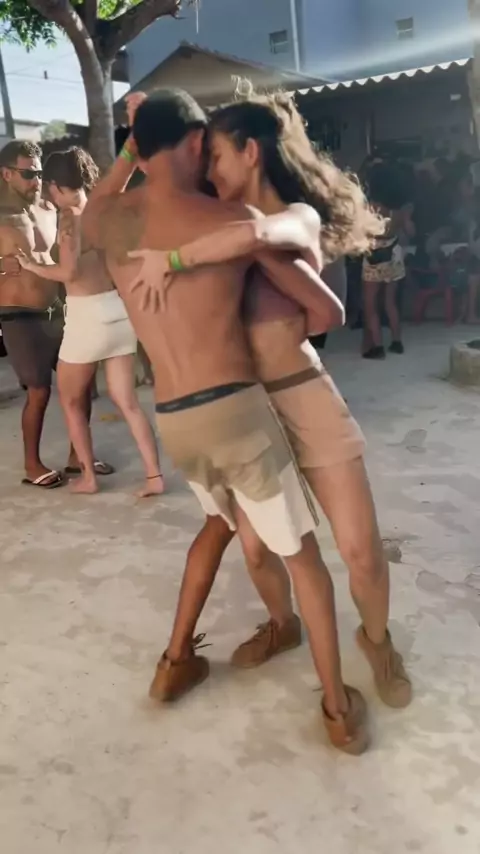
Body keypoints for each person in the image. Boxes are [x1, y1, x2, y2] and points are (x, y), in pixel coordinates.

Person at [83, 88, 371, 755]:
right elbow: (322, 310)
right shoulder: (228, 218)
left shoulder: (108, 220)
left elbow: (98, 198)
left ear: (138, 146)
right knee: (305, 562)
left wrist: (130, 144)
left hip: (174, 424)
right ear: (193, 144)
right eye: (205, 149)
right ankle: (337, 709)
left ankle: (175, 661)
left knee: (219, 525)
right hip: (236, 413)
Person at [130, 94, 411, 721]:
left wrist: (179, 258)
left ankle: (377, 641)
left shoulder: (295, 218)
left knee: (361, 550)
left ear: (251, 152)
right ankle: (284, 624)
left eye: (217, 155)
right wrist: (140, 134)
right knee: (259, 550)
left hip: (301, 392)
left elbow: (301, 286)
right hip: (244, 406)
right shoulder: (211, 217)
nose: (208, 168)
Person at [17, 147, 163, 496]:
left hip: (87, 317)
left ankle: (88, 478)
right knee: (128, 402)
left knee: (70, 401)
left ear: (55, 185)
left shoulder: (69, 218)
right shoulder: (102, 213)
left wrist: (32, 266)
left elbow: (68, 272)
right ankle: (154, 477)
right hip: (117, 311)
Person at [0, 140, 111, 488]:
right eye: (28, 174)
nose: (36, 181)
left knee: (81, 383)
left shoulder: (50, 208)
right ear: (6, 174)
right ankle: (32, 465)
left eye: (39, 174)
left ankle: (78, 456)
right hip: (19, 316)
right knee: (39, 391)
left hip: (57, 312)